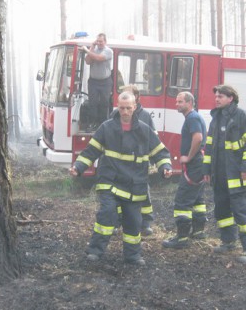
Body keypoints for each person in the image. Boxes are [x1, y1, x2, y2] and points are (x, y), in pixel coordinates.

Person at [69, 91, 173, 266]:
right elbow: (91, 151)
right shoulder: (107, 127)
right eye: (121, 108)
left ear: (135, 107)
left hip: (134, 185)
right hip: (110, 180)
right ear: (117, 106)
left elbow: (160, 152)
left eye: (128, 108)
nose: (124, 112)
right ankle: (95, 251)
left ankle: (132, 256)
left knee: (133, 222)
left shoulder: (144, 130)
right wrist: (78, 167)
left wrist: (165, 168)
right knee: (107, 214)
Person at [203, 85, 246, 263]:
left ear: (231, 98)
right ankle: (228, 241)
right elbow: (210, 147)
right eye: (216, 96)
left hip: (237, 174)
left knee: (241, 211)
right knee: (222, 210)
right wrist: (207, 171)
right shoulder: (216, 118)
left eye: (221, 96)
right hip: (219, 175)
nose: (217, 99)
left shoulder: (242, 117)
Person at [162, 92, 208, 249]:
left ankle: (181, 238)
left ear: (189, 103)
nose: (177, 104)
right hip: (199, 164)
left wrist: (188, 157)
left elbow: (198, 138)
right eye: (176, 101)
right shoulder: (194, 117)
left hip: (194, 164)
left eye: (180, 102)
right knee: (197, 200)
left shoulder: (192, 118)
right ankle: (198, 232)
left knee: (182, 199)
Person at [110, 84, 156, 236]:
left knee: (144, 193)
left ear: (136, 98)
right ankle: (116, 222)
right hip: (120, 164)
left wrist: (153, 161)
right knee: (117, 194)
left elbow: (153, 138)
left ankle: (146, 223)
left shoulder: (145, 116)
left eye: (128, 95)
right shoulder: (114, 114)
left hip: (139, 165)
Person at [79, 33, 113, 129]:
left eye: (101, 41)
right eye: (97, 41)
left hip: (105, 82)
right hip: (93, 81)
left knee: (104, 103)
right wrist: (92, 47)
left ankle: (103, 124)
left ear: (105, 42)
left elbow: (98, 58)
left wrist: (86, 49)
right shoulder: (93, 50)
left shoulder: (108, 51)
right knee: (92, 103)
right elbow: (88, 61)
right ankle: (92, 123)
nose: (99, 43)